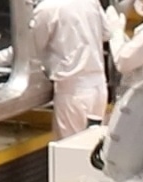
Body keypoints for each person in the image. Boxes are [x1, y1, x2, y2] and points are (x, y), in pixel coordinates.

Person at [32, 0, 110, 138]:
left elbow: (28, 49)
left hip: (73, 92)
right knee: (92, 143)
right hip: (98, 86)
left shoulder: (47, 8)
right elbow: (106, 33)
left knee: (70, 146)